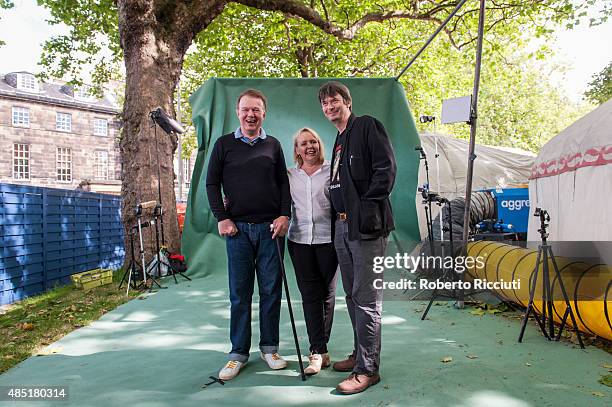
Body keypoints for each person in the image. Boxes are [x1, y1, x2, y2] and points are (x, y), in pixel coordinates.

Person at [206, 89, 291, 381]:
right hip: (238, 231)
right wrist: (223, 217)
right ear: (238, 112)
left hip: (270, 230)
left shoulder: (274, 145)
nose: (250, 115)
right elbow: (211, 184)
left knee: (271, 291)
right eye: (245, 110)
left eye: (256, 110)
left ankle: (270, 348)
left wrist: (284, 215)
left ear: (263, 113)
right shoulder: (223, 145)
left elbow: (283, 183)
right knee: (240, 294)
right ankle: (238, 353)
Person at [319, 81, 397, 394]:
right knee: (352, 296)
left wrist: (364, 208)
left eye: (334, 100)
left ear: (347, 102)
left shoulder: (366, 126)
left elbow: (386, 170)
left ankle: (368, 369)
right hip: (342, 227)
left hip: (365, 227)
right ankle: (358, 354)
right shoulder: (339, 139)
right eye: (324, 104)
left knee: (366, 299)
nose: (329, 107)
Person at [287, 128, 338, 375]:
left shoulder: (333, 171)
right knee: (309, 295)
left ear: (320, 145)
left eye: (314, 141)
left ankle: (320, 347)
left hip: (328, 240)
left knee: (327, 294)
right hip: (299, 241)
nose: (309, 146)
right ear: (297, 150)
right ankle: (318, 351)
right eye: (303, 143)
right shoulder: (289, 175)